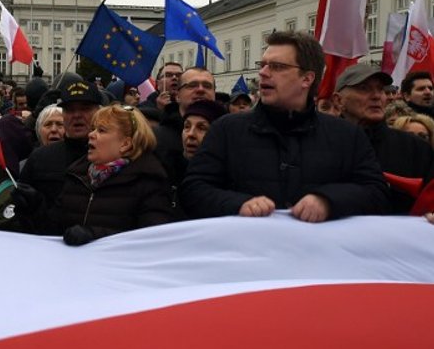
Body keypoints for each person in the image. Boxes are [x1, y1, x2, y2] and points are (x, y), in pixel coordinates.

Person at [180, 31, 389, 222]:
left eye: (277, 67)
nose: (263, 73)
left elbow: (376, 192)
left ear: (307, 79)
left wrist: (327, 201)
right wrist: (239, 204)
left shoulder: (346, 136)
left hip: (318, 256)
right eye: (262, 65)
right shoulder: (226, 130)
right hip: (248, 253)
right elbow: (193, 189)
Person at [47, 104, 173, 245]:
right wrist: (32, 206)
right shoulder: (77, 176)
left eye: (101, 130)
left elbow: (150, 239)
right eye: (93, 129)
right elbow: (52, 228)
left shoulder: (149, 182)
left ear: (125, 144)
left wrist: (95, 236)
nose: (91, 134)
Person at [332, 63, 434, 213]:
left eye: (380, 89)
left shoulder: (416, 148)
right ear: (338, 101)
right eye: (364, 88)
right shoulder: (320, 143)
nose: (376, 96)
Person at [20, 80, 101, 206]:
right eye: (70, 110)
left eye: (85, 108)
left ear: (99, 112)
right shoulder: (40, 158)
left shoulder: (112, 156)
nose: (77, 115)